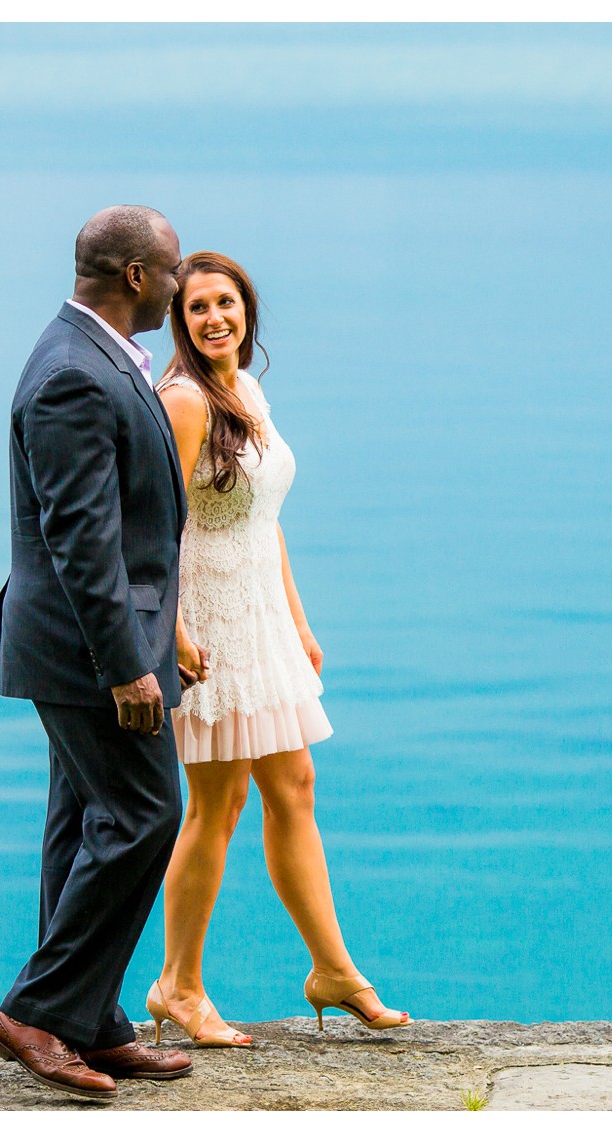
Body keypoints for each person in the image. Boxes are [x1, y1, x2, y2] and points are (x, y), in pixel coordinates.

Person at [146, 250, 410, 1045]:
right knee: (218, 806)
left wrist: (297, 620)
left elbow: (264, 518)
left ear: (247, 311)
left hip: (261, 616)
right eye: (198, 308)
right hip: (211, 625)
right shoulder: (184, 400)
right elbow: (155, 523)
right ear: (179, 321)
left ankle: (333, 970)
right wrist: (173, 630)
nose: (215, 317)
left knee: (294, 783)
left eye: (227, 302)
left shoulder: (245, 389)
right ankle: (178, 986)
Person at [0, 205, 200, 1099]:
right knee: (144, 816)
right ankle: (38, 1011)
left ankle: (90, 1019)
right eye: (172, 269)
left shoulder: (97, 354)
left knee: (87, 823)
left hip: (88, 647)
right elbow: (82, 541)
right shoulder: (72, 373)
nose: (180, 285)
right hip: (87, 654)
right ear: (137, 276)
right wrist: (125, 665)